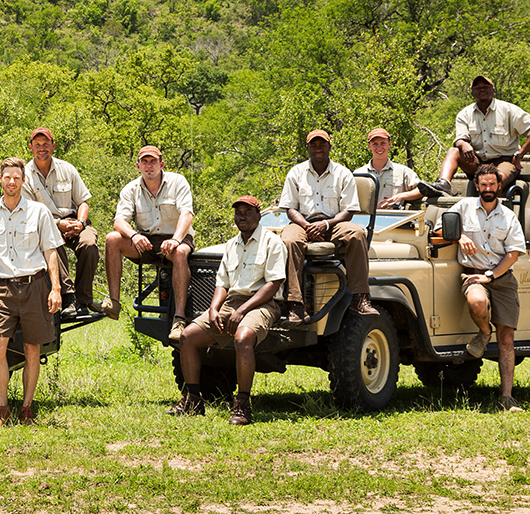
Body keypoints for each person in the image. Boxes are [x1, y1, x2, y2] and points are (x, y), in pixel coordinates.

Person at [172, 195, 285, 425]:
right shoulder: (231, 245)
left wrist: (242, 310)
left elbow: (273, 284)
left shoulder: (272, 242)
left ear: (258, 215)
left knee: (243, 338)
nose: (242, 216)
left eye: (247, 212)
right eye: (238, 212)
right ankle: (193, 399)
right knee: (187, 337)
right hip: (232, 303)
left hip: (262, 303)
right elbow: (222, 284)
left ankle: (242, 405)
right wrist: (214, 309)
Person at [0, 157, 63, 424]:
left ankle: (26, 408)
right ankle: (2, 408)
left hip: (35, 285)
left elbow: (51, 251)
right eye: (7, 177)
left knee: (32, 348)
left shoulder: (39, 212)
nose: (11, 182)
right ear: (0, 180)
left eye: (16, 177)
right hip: (3, 288)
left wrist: (55, 288)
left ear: (23, 181)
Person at [441, 164, 527, 411]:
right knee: (477, 301)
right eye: (483, 184)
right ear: (476, 185)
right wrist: (458, 236)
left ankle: (507, 398)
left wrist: (491, 275)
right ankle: (483, 331)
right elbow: (439, 227)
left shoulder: (508, 216)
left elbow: (513, 254)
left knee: (507, 337)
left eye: (492, 184)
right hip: (472, 273)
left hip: (501, 277)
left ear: (499, 186)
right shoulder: (463, 206)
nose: (488, 189)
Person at [279, 129, 378, 324]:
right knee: (289, 240)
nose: (318, 149)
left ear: (329, 147)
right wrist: (308, 226)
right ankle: (295, 305)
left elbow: (349, 211)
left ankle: (360, 298)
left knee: (357, 233)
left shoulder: (342, 173)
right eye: (313, 146)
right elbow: (290, 209)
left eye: (322, 145)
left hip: (334, 223)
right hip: (303, 222)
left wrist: (325, 224)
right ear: (307, 148)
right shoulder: (296, 172)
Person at [98, 146, 193, 344]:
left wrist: (176, 239)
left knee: (181, 252)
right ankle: (114, 302)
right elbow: (119, 221)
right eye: (145, 162)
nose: (149, 166)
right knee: (112, 239)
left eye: (153, 161)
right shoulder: (131, 189)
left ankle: (179, 318)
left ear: (161, 164)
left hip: (176, 238)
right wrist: (133, 235)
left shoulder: (177, 181)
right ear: (138, 165)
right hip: (147, 241)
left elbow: (187, 214)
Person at [21, 126, 99, 319]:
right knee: (52, 243)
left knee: (89, 244)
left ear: (53, 146)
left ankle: (84, 299)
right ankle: (69, 296)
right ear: (30, 147)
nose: (42, 148)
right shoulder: (25, 175)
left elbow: (83, 201)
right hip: (45, 225)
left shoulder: (67, 168)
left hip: (75, 221)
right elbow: (30, 213)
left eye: (46, 144)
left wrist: (80, 223)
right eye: (37, 145)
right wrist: (57, 224)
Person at [421, 75, 530, 197]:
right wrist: (464, 144)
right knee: (453, 151)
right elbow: (460, 139)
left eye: (486, 87)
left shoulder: (508, 110)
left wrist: (520, 154)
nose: (482, 90)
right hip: (477, 161)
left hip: (505, 161)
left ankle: (494, 212)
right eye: (477, 88)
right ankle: (443, 185)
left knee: (493, 180)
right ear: (472, 92)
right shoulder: (465, 114)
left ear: (493, 90)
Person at [360, 128, 423, 209]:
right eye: (375, 144)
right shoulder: (359, 173)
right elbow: (352, 204)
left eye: (383, 143)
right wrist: (375, 209)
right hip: (367, 220)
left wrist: (402, 196)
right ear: (369, 146)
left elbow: (421, 190)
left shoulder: (403, 171)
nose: (379, 148)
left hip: (397, 219)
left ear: (389, 144)